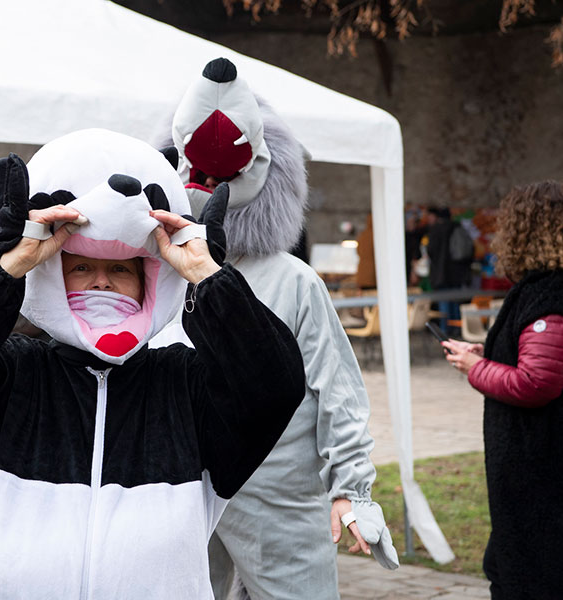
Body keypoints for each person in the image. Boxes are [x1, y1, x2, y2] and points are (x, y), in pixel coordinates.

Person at [0, 129, 306, 599]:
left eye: (121, 270)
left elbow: (276, 385)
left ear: (149, 282)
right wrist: (9, 265)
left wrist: (207, 277)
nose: (101, 284)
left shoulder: (185, 384)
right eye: (82, 269)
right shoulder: (10, 378)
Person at [157, 58, 398, 599]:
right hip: (179, 485)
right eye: (204, 178)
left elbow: (336, 386)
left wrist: (351, 488)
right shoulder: (155, 272)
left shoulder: (293, 281)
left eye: (227, 179)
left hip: (275, 486)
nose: (212, 189)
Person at [442, 180, 563, 598]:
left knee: (529, 574)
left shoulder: (549, 295)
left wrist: (476, 366)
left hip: (539, 467)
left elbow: (538, 382)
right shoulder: (540, 289)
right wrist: (486, 357)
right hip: (534, 467)